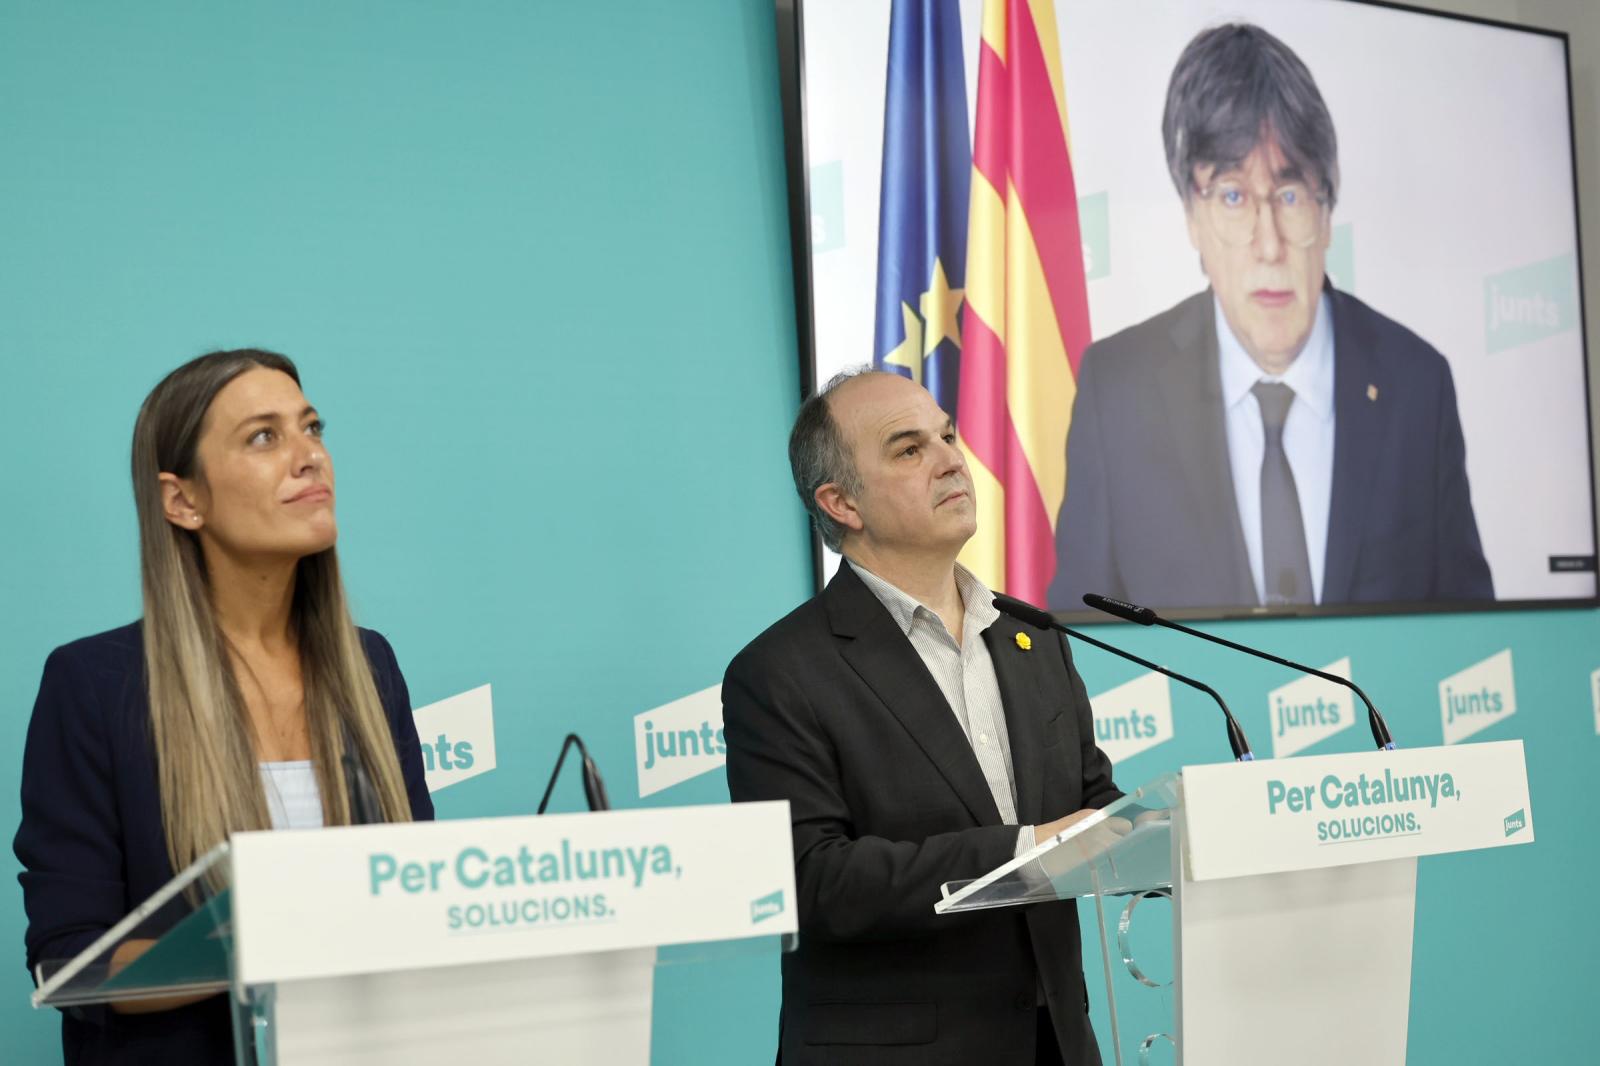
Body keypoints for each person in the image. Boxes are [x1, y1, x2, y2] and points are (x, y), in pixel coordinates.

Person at [14, 349, 434, 1065]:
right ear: (182, 501)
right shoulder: (93, 684)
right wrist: (267, 931)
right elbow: (70, 965)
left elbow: (417, 904)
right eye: (264, 437)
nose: (308, 458)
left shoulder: (372, 667)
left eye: (312, 428)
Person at [723, 368, 1122, 1065]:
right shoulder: (780, 672)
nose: (950, 460)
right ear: (840, 501)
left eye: (947, 436)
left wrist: (1158, 827)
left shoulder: (1033, 640)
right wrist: (1023, 852)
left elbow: (1093, 806)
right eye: (909, 450)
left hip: (1055, 1042)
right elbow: (812, 881)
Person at [1048, 22, 1493, 613]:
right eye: (1232, 196)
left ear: (1327, 211)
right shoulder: (1118, 388)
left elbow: (1471, 633)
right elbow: (1080, 637)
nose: (1269, 244)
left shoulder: (1417, 382)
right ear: (1192, 218)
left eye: (1290, 196)